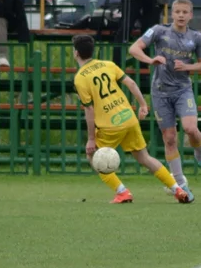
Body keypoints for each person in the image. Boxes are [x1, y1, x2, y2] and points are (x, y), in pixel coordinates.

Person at [72, 34, 189, 204]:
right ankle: (177, 189)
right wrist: (143, 105)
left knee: (93, 157)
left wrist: (91, 139)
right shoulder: (108, 65)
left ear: (76, 53)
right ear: (93, 50)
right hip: (128, 118)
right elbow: (132, 84)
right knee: (145, 158)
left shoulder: (80, 78)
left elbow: (89, 109)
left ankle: (122, 192)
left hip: (109, 126)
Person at [128, 0, 201, 201]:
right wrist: (151, 60)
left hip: (183, 90)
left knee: (191, 129)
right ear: (172, 14)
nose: (181, 15)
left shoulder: (196, 37)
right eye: (178, 12)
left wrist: (187, 67)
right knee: (169, 138)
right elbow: (134, 49)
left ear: (191, 15)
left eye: (185, 12)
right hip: (160, 92)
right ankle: (181, 184)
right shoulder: (159, 31)